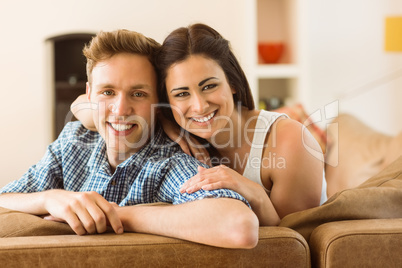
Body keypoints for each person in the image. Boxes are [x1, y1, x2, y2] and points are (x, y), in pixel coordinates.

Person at [0, 29, 258, 249]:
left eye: (138, 94)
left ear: (158, 102)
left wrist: (116, 214)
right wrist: (49, 198)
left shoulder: (169, 160)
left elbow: (239, 226)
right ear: (89, 94)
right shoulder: (73, 141)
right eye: (108, 92)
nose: (121, 109)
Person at [155, 23, 328, 226]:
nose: (199, 106)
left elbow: (295, 246)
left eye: (209, 86)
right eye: (182, 94)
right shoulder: (175, 141)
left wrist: (256, 194)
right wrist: (165, 123)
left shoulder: (289, 142)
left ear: (233, 83)